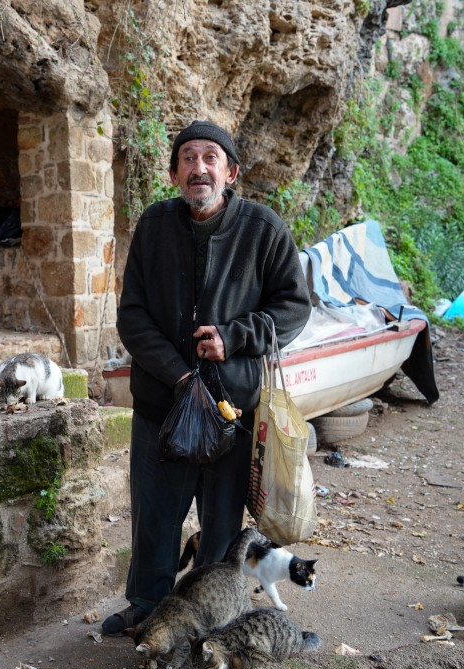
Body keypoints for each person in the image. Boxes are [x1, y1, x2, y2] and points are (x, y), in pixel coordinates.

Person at [103, 120, 312, 636]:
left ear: (231, 171)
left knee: (221, 525)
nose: (200, 167)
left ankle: (213, 616)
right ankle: (148, 609)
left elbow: (293, 307)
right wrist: (178, 376)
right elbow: (132, 316)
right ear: (175, 174)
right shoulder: (154, 227)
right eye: (188, 158)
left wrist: (234, 338)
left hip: (232, 408)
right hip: (163, 403)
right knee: (155, 516)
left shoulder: (263, 230)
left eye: (210, 158)